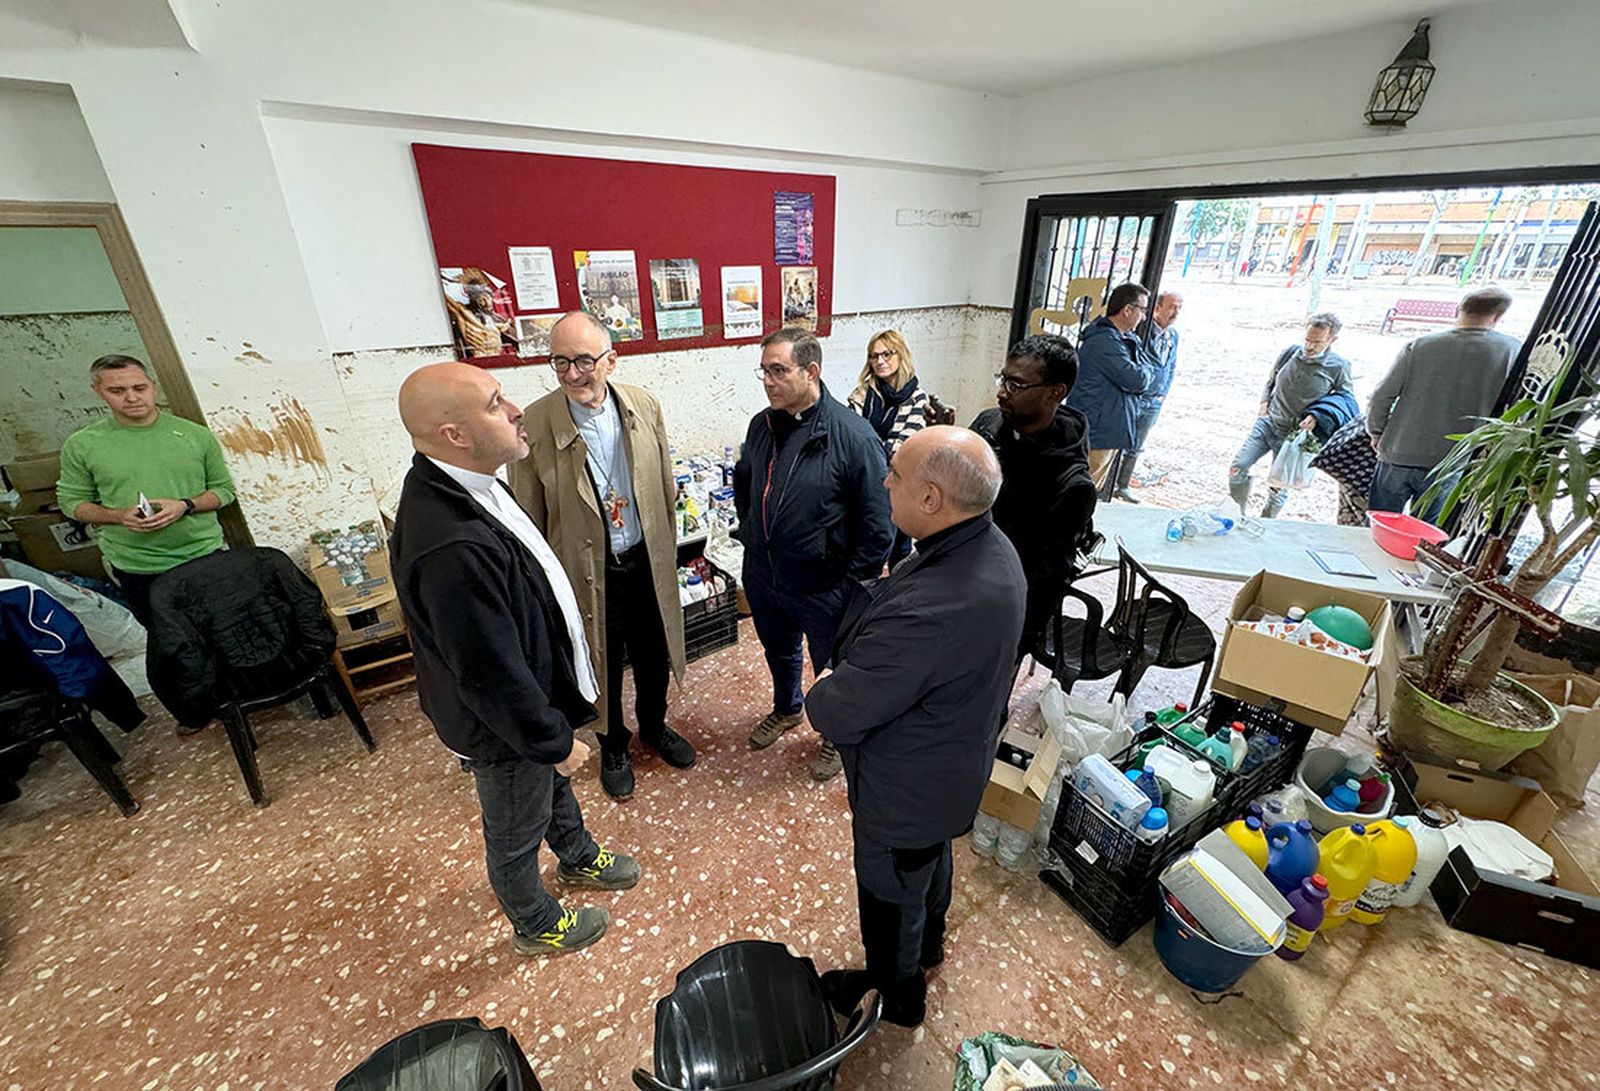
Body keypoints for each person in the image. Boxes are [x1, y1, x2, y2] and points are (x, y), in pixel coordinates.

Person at [391, 362, 639, 957]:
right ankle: (532, 919)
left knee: (552, 788)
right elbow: (489, 673)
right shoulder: (450, 543)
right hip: (503, 729)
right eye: (496, 401)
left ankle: (576, 856)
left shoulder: (469, 479)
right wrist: (551, 740)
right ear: (454, 433)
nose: (516, 409)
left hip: (534, 703)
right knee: (514, 827)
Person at [806, 426, 1025, 1028]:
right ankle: (929, 945)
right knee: (929, 865)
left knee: (888, 892)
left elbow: (834, 711)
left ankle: (898, 993)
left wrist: (824, 686)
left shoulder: (932, 609)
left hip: (906, 787)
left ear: (931, 499)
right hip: (953, 763)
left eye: (895, 474)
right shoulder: (990, 545)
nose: (884, 481)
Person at [509, 311, 696, 803]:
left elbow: (662, 482)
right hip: (585, 574)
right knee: (599, 664)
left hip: (645, 561)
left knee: (654, 658)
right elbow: (528, 519)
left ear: (611, 360)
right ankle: (613, 743)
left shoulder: (643, 405)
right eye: (560, 362)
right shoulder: (533, 423)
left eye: (584, 361)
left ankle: (654, 727)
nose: (572, 374)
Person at [732, 328, 893, 782]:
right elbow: (746, 484)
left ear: (811, 371)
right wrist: (752, 538)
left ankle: (836, 736)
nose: (768, 381)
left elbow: (878, 524)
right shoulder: (760, 426)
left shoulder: (853, 437)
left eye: (778, 371)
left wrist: (851, 584)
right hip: (766, 576)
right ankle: (787, 709)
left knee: (839, 667)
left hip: (826, 585)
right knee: (779, 651)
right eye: (763, 371)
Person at [56, 354, 235, 626]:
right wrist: (119, 516)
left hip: (204, 556)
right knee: (174, 647)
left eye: (139, 388)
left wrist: (185, 505)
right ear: (98, 392)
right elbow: (72, 502)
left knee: (228, 632)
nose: (131, 398)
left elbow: (224, 491)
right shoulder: (82, 445)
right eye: (117, 391)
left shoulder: (195, 435)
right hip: (137, 567)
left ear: (153, 385)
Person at [971, 334, 1096, 662]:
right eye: (1003, 379)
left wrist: (1013, 646)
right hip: (957, 585)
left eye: (1016, 385)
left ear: (1056, 392)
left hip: (1001, 614)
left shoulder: (1071, 486)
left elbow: (1045, 583)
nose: (1002, 392)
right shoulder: (989, 425)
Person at [1367, 287, 1519, 520]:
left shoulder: (1420, 345)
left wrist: (1377, 432)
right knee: (1424, 538)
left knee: (1378, 526)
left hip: (1399, 450)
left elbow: (1382, 395)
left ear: (1458, 310)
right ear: (1498, 317)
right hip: (1452, 459)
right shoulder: (1511, 351)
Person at [1228, 313, 1353, 518]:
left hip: (1294, 435)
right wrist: (1263, 404)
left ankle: (1267, 522)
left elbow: (1345, 399)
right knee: (1238, 466)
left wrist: (1317, 416)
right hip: (1268, 423)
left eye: (1317, 342)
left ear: (1332, 340)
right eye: (1307, 339)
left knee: (1279, 485)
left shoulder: (1339, 366)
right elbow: (1271, 380)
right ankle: (1236, 515)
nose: (1309, 346)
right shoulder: (1289, 353)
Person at [847, 329, 932, 566]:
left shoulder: (916, 397)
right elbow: (850, 437)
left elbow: (901, 448)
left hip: (899, 480)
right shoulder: (864, 391)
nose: (880, 361)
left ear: (901, 355)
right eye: (874, 356)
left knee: (897, 547)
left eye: (887, 354)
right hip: (863, 480)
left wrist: (868, 449)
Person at [1065, 283, 1153, 493]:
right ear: (1127, 310)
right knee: (1084, 489)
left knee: (1091, 487)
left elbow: (1149, 372)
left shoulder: (1124, 339)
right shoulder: (1104, 342)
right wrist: (1146, 373)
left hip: (1108, 425)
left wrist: (1146, 372)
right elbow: (1138, 379)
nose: (1143, 317)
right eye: (1142, 310)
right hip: (1098, 429)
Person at [1114, 291, 1182, 503]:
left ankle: (1122, 486)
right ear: (1158, 308)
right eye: (1172, 306)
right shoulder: (1142, 332)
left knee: (1137, 444)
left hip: (1154, 401)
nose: (1176, 312)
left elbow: (1171, 366)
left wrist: (1163, 393)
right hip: (1136, 397)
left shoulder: (1173, 336)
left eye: (1179, 308)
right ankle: (1108, 482)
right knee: (1119, 439)